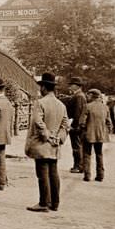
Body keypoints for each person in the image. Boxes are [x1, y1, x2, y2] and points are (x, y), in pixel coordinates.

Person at [25, 72, 69, 212]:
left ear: (44, 87)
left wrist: (47, 136)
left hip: (42, 144)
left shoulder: (40, 103)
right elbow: (65, 125)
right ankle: (54, 203)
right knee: (53, 173)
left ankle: (44, 203)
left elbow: (38, 122)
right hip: (55, 145)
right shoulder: (61, 105)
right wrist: (59, 138)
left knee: (42, 173)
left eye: (41, 87)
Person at [79, 89, 112, 182]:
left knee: (87, 154)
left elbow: (82, 122)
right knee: (99, 154)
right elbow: (109, 122)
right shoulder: (105, 107)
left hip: (88, 134)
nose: (87, 97)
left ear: (92, 96)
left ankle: (87, 175)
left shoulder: (87, 107)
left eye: (88, 95)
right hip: (100, 135)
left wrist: (83, 129)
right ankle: (100, 175)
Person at [67, 76, 87, 173]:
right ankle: (79, 165)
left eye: (71, 85)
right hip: (79, 124)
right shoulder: (80, 95)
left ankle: (78, 166)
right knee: (78, 146)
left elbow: (77, 113)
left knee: (76, 146)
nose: (69, 87)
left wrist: (74, 125)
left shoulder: (78, 96)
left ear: (76, 86)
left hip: (76, 125)